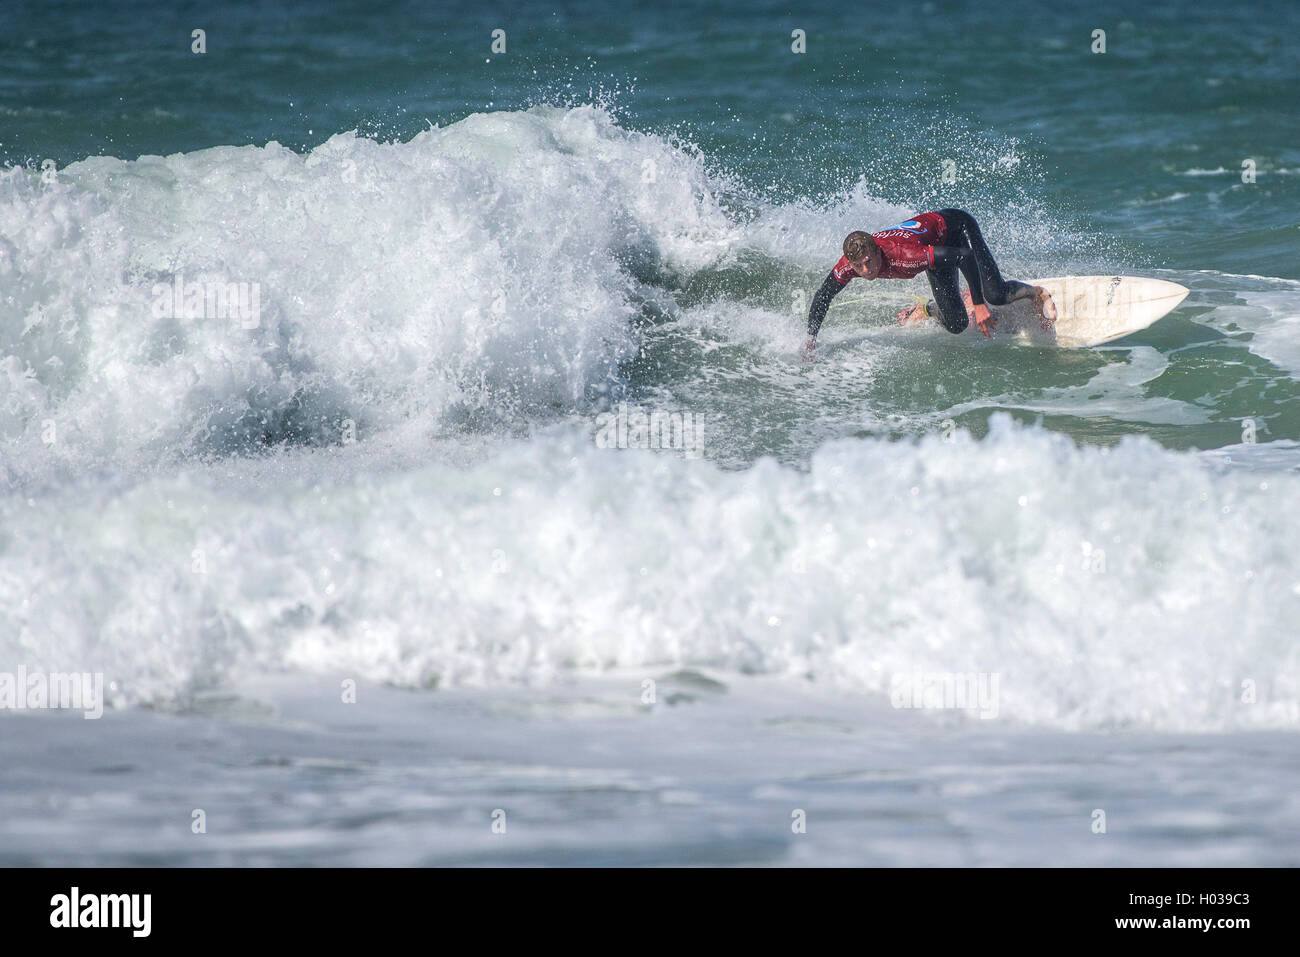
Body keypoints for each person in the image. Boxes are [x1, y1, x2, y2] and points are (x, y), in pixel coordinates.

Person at [803, 208, 1055, 357]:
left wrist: (980, 304)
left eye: (869, 262)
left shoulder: (905, 257)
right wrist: (811, 339)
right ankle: (928, 308)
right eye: (859, 266)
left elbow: (963, 256)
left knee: (996, 295)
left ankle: (1036, 293)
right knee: (956, 324)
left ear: (877, 251)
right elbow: (823, 295)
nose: (866, 271)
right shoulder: (850, 265)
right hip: (936, 249)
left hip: (958, 229)